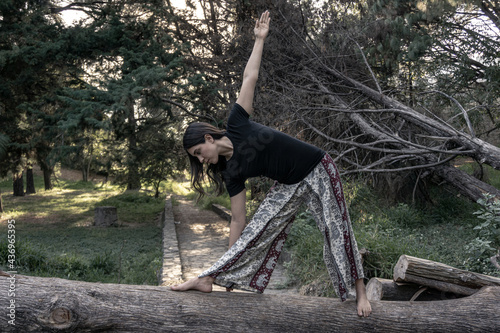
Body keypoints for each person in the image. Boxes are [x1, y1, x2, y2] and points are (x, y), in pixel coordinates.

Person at [171, 10, 372, 317]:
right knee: (258, 228)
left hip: (318, 167)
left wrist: (259, 39)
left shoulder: (236, 122)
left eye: (199, 151)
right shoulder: (229, 172)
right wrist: (228, 263)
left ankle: (359, 293)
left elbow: (249, 77)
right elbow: (238, 221)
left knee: (336, 228)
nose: (202, 159)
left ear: (209, 137)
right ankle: (210, 277)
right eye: (197, 158)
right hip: (288, 183)